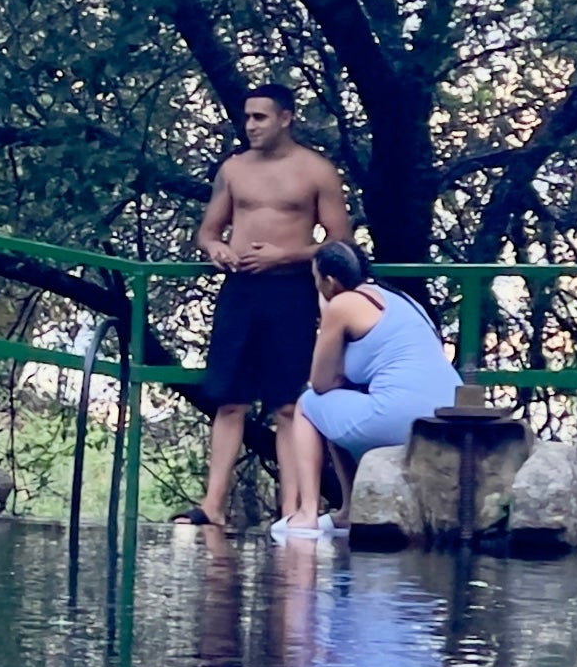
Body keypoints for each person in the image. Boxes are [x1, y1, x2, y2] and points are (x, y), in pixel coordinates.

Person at [188, 91, 354, 532]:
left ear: (286, 118)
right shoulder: (234, 170)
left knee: (287, 404)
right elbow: (207, 232)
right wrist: (217, 247)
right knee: (228, 400)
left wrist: (285, 256)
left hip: (291, 290)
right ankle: (212, 506)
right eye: (247, 118)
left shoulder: (315, 170)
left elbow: (342, 242)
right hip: (241, 289)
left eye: (261, 117)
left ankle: (294, 511)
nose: (252, 125)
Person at [277, 237, 461, 537]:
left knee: (307, 405)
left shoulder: (342, 304)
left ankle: (306, 513)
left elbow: (321, 383)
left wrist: (328, 306)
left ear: (330, 281)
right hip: (449, 414)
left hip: (402, 416)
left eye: (316, 280)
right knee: (336, 408)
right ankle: (350, 511)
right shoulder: (402, 299)